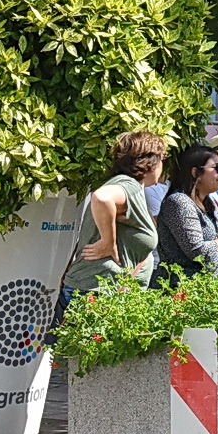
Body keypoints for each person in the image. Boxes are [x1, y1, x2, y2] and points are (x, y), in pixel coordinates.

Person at [59, 131, 166, 318]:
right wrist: (108, 242)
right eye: (163, 158)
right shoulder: (128, 186)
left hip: (100, 292)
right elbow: (101, 197)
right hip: (96, 294)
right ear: (151, 162)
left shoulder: (133, 189)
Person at [155, 145, 218, 283]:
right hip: (181, 292)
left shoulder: (208, 203)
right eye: (216, 168)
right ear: (195, 172)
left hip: (206, 289)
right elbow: (198, 253)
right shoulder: (179, 202)